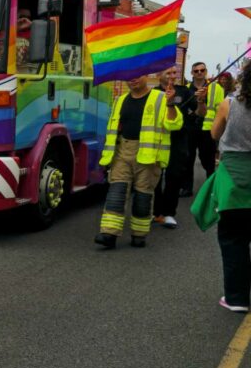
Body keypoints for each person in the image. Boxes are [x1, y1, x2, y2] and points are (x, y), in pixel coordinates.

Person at [94, 74, 182, 249]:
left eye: (137, 76)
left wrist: (171, 104)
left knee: (143, 196)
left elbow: (175, 124)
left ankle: (139, 234)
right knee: (116, 193)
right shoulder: (120, 100)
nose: (132, 79)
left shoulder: (160, 97)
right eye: (130, 76)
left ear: (147, 76)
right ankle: (109, 233)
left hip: (149, 155)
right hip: (122, 151)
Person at [193, 62, 251, 312]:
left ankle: (236, 298)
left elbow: (215, 134)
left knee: (233, 238)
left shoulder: (230, 103)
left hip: (234, 179)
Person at [152, 66, 195, 228]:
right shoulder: (153, 94)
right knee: (154, 177)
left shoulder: (184, 92)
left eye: (174, 73)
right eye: (167, 73)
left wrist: (200, 101)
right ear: (158, 75)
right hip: (158, 140)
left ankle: (169, 213)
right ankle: (156, 212)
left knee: (174, 176)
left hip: (178, 140)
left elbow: (198, 111)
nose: (172, 76)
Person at [182, 61, 225, 194]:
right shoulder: (187, 89)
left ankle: (211, 188)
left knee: (208, 161)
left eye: (202, 70)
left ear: (206, 71)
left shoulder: (216, 88)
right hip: (190, 129)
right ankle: (187, 188)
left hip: (207, 129)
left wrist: (219, 129)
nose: (199, 73)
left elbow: (220, 109)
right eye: (196, 71)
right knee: (188, 160)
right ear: (192, 73)